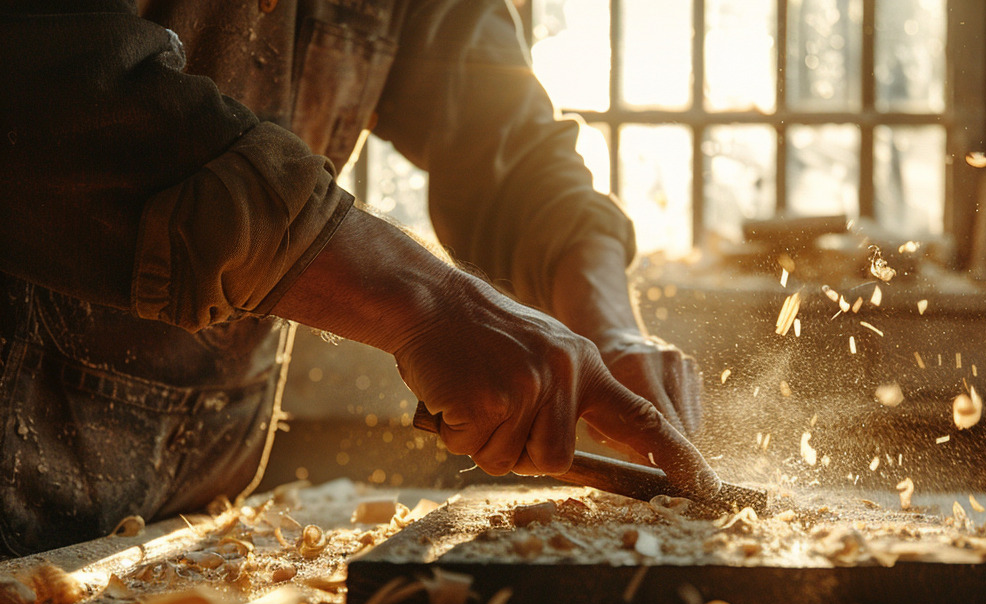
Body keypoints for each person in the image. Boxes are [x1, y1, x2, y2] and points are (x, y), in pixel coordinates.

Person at [0, 0, 715, 556]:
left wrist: (606, 325)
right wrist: (431, 304)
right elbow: (61, 91)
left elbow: (510, 151)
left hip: (193, 504)